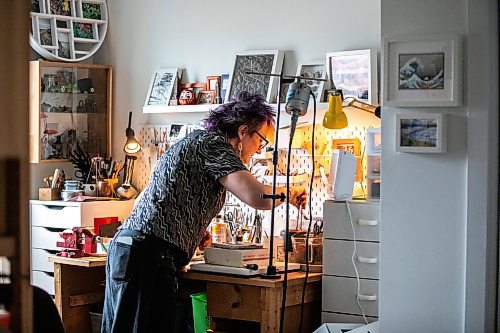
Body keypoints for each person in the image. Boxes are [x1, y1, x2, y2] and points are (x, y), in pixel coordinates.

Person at [101, 91, 307, 333]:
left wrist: (191, 234)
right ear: (242, 132)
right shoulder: (214, 145)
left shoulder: (199, 142)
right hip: (148, 256)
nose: (260, 151)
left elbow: (167, 199)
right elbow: (257, 196)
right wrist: (291, 192)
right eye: (261, 142)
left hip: (133, 249)